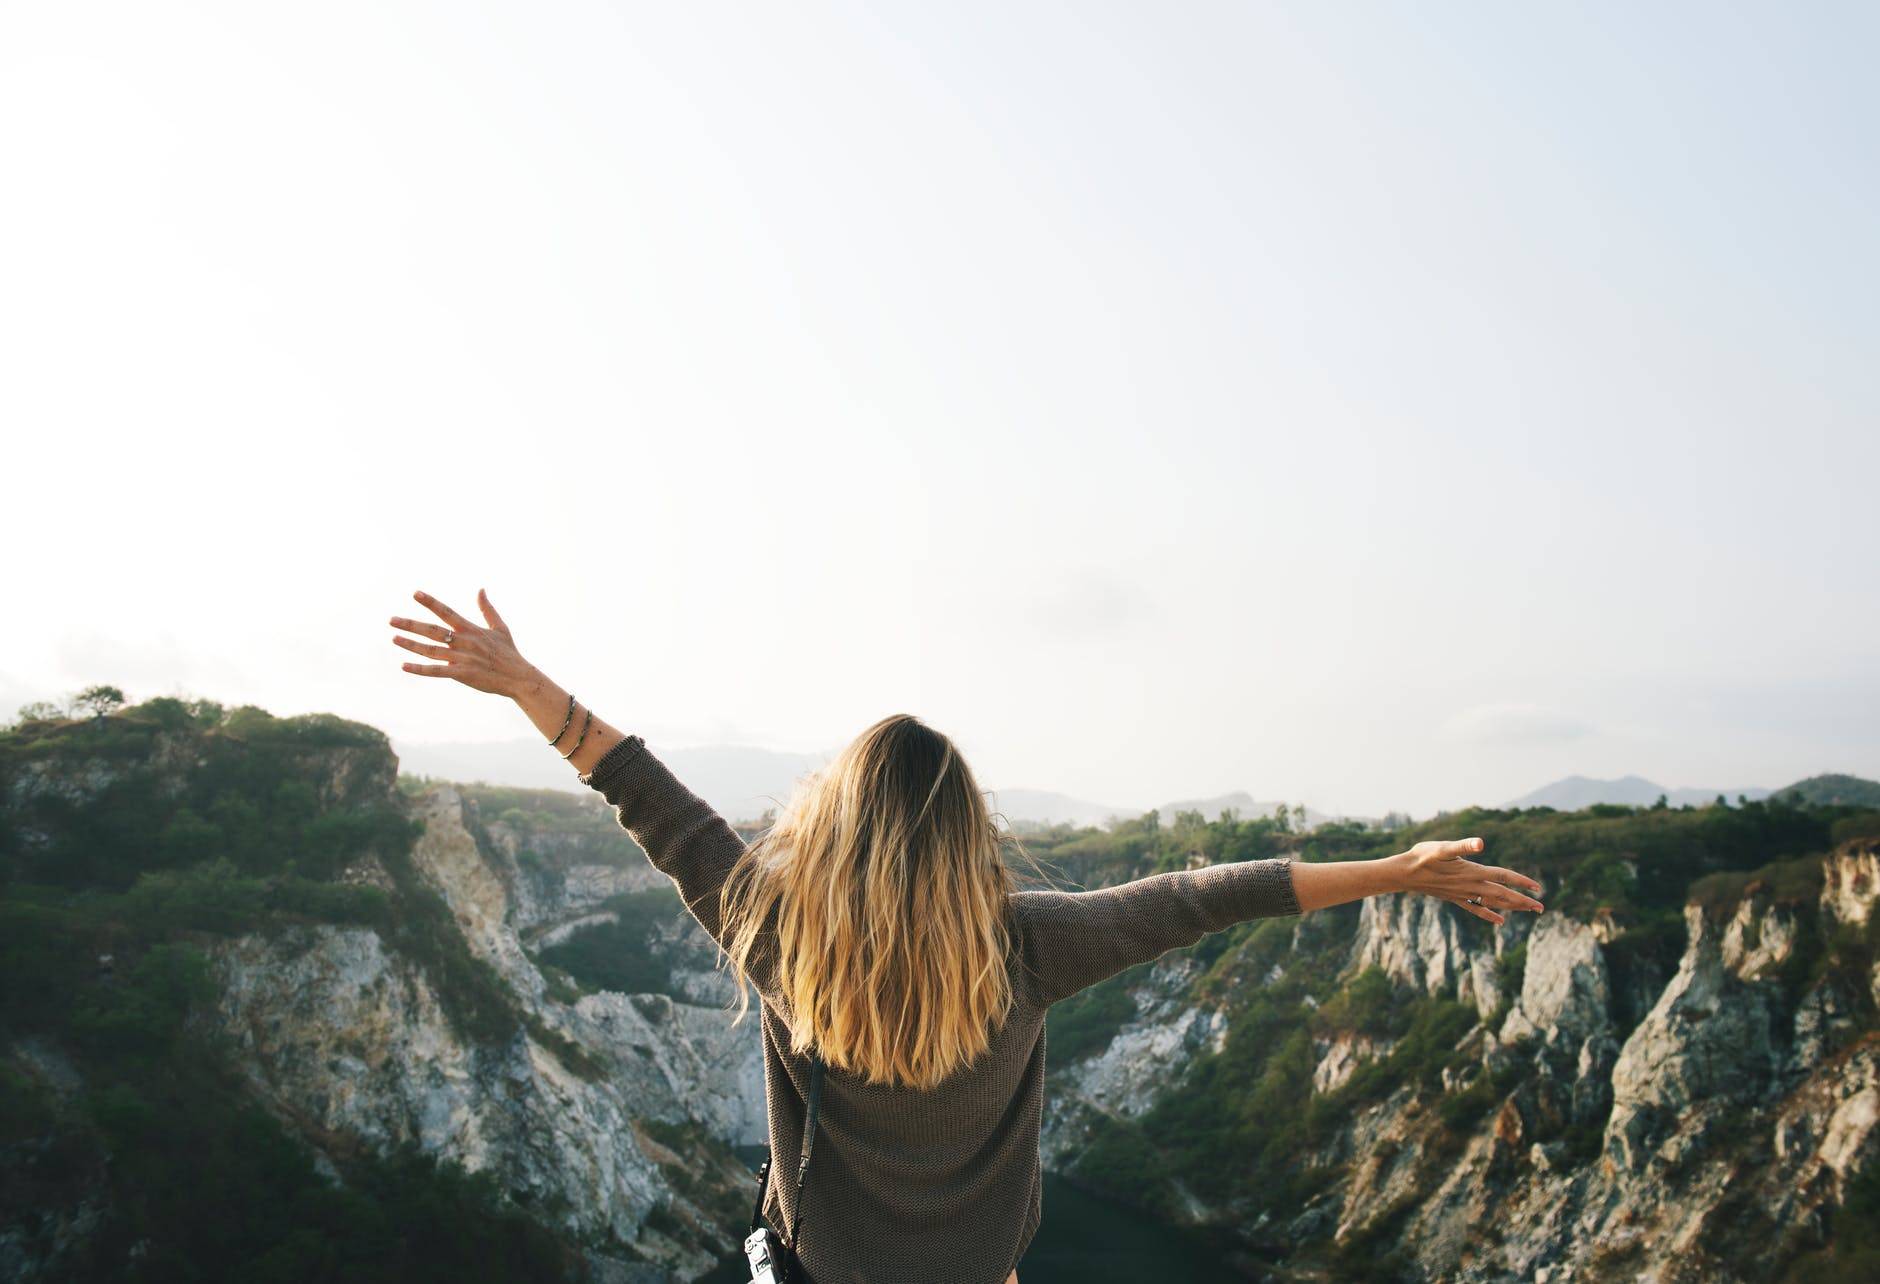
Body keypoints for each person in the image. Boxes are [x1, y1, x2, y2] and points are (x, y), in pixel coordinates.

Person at [391, 588, 1546, 1284]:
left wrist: (528, 685)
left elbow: (644, 795)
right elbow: (1207, 894)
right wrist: (1396, 871)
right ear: (968, 834)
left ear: (828, 828)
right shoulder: (1028, 945)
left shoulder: (776, 933)